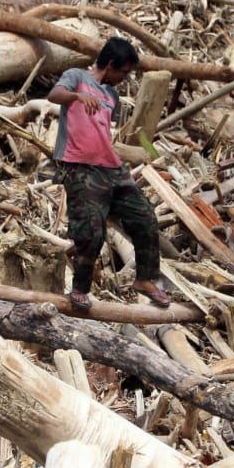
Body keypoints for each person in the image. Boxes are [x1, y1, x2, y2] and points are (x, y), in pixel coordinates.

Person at [46, 37, 168, 311]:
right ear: (110, 64)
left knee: (145, 217)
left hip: (111, 168)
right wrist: (78, 96)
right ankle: (79, 289)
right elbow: (54, 96)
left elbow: (101, 132)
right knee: (91, 230)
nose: (124, 79)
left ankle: (146, 279)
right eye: (123, 72)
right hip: (79, 167)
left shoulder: (112, 97)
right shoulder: (76, 77)